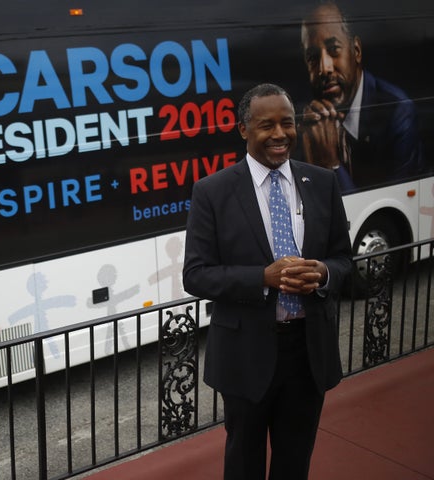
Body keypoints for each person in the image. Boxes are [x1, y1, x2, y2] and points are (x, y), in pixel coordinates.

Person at [182, 83, 352, 480]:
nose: (280, 134)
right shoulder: (213, 191)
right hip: (246, 354)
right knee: (244, 464)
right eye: (266, 125)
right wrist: (263, 278)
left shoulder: (322, 183)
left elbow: (344, 259)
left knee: (295, 462)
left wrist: (323, 274)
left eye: (288, 123)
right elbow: (195, 274)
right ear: (244, 129)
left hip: (308, 353)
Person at [299, 1, 426, 192]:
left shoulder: (398, 111)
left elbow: (389, 198)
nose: (324, 68)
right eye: (312, 58)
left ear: (356, 51)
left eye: (334, 50)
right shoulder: (312, 120)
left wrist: (330, 165)